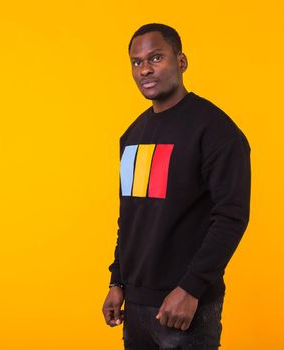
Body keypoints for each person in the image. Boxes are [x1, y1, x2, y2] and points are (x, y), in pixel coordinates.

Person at [102, 23, 251, 349]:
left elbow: (231, 217)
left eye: (156, 57)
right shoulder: (132, 135)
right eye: (137, 62)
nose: (145, 69)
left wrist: (191, 289)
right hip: (136, 307)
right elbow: (131, 217)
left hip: (185, 304)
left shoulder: (215, 130)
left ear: (181, 62)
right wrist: (118, 281)